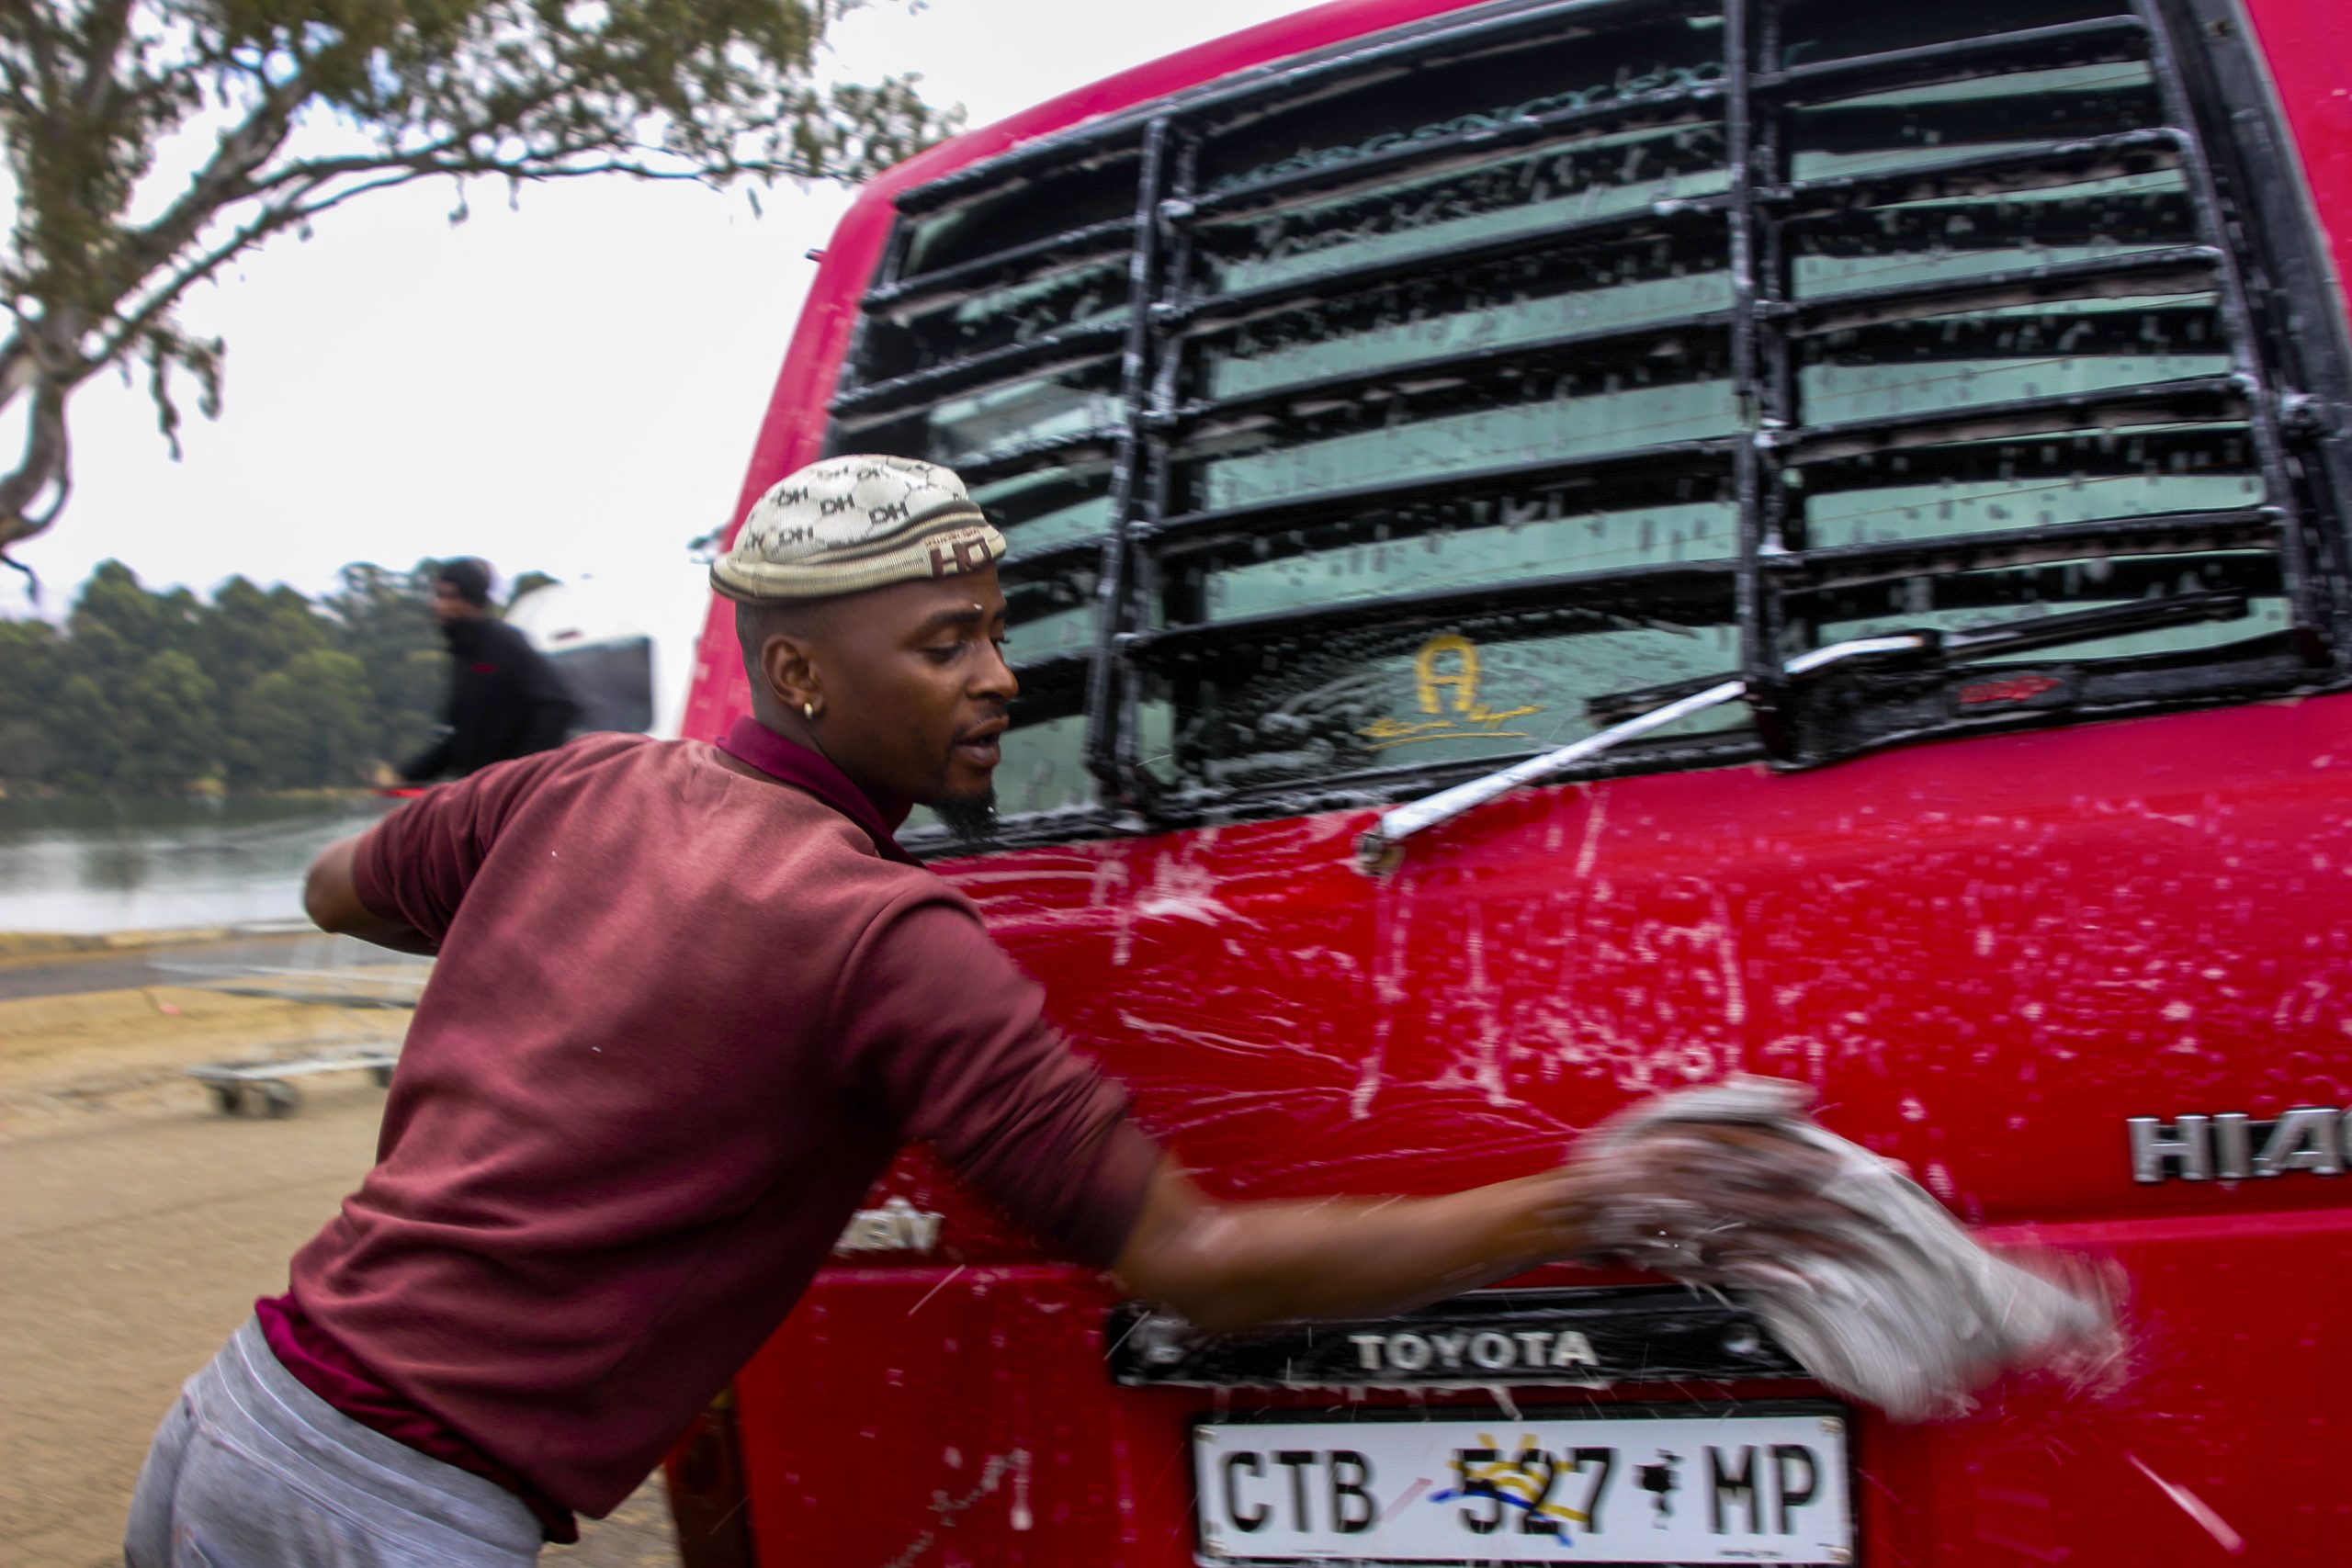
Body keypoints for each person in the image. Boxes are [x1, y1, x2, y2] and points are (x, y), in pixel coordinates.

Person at [123, 455, 1845, 1567]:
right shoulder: (882, 938)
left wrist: (563, 958)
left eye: (996, 634)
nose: (1001, 680)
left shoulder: (577, 792)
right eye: (945, 643)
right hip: (402, 1516)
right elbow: (1192, 1261)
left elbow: (337, 884)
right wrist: (1593, 1196)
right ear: (802, 673)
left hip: (231, 1427)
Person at [395, 558, 577, 782]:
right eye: (437, 596)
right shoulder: (462, 655)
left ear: (471, 601)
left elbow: (556, 706)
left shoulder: (503, 642)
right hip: (481, 796)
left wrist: (520, 775)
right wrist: (405, 777)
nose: (437, 604)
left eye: (447, 596)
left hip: (509, 795)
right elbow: (459, 741)